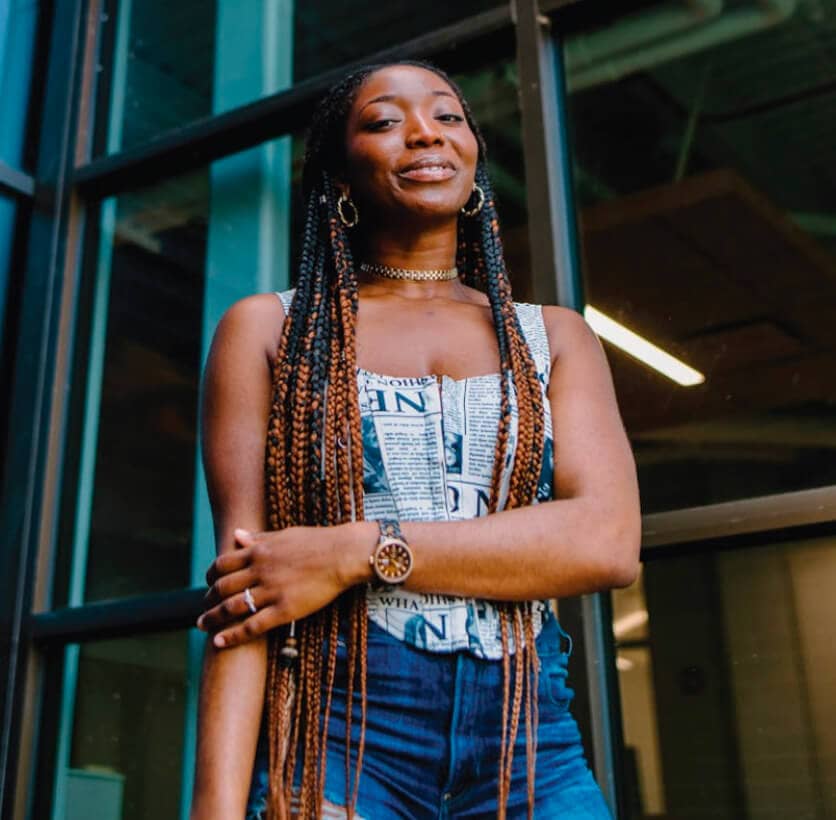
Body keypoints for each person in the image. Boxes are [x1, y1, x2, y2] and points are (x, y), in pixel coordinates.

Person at [190, 59, 640, 820]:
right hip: (339, 729)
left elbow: (605, 543)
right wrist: (214, 809)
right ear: (339, 175)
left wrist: (354, 550)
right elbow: (248, 598)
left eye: (448, 116)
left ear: (472, 156)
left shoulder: (554, 337)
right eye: (384, 121)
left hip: (529, 737)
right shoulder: (271, 331)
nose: (426, 132)